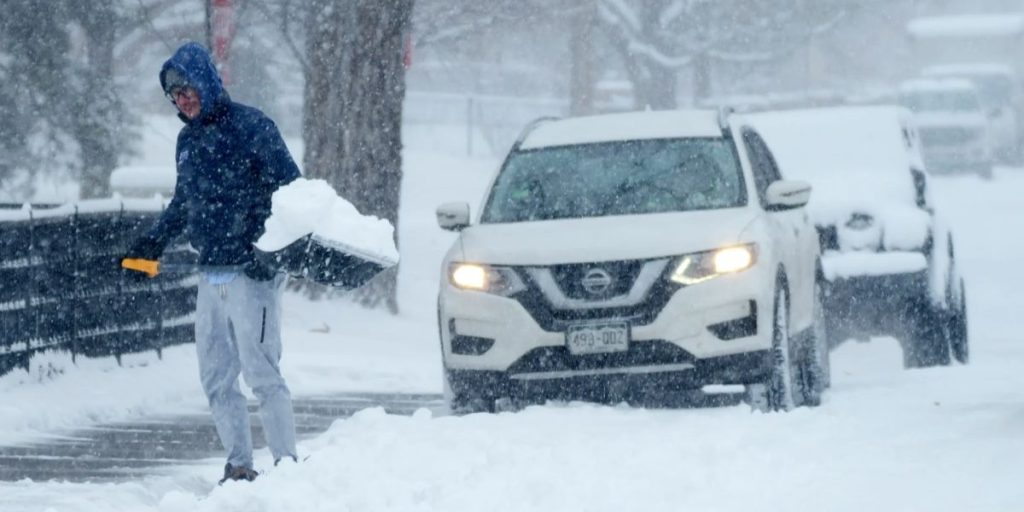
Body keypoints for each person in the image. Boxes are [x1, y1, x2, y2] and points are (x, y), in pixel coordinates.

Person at [122, 42, 301, 484]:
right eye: (174, 95)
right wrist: (151, 244)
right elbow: (184, 204)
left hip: (251, 275)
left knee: (261, 371)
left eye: (186, 88)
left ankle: (288, 467)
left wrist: (270, 250)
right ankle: (239, 464)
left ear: (206, 80)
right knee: (217, 377)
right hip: (211, 274)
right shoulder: (187, 140)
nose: (182, 99)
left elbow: (294, 195)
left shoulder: (252, 127)